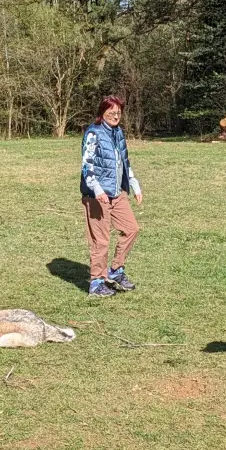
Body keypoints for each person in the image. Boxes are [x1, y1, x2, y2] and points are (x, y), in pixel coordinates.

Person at [81, 95, 143, 298]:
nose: (115, 115)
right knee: (101, 240)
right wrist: (97, 190)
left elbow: (125, 162)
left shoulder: (118, 133)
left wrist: (134, 184)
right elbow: (87, 166)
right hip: (96, 196)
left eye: (118, 112)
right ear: (102, 112)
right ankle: (97, 282)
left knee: (131, 229)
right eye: (111, 111)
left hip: (117, 194)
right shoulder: (93, 133)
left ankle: (115, 270)